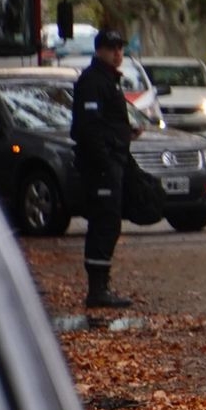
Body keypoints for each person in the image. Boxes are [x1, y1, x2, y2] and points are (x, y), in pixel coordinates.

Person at [70, 28, 141, 308]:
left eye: (120, 48)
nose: (117, 54)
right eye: (112, 49)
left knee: (110, 222)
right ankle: (97, 289)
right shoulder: (93, 81)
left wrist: (126, 132)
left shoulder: (110, 80)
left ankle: (102, 284)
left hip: (113, 161)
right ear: (99, 50)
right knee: (104, 222)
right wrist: (104, 160)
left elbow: (108, 122)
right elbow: (90, 127)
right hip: (100, 166)